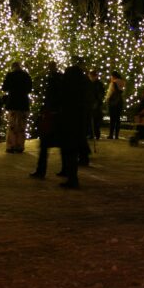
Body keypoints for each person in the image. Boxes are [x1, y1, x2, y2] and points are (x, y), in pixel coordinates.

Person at [59, 57, 90, 189]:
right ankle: (72, 176)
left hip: (69, 121)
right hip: (79, 121)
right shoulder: (83, 85)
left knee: (70, 151)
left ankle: (72, 178)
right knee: (74, 149)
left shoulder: (68, 87)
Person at [29, 62, 63, 179]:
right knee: (61, 146)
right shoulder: (60, 79)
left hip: (51, 116)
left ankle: (41, 171)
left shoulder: (52, 80)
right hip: (56, 116)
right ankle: (66, 169)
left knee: (44, 145)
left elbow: (49, 98)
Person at [2, 61, 33, 154]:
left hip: (12, 103)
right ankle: (20, 146)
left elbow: (4, 88)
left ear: (13, 67)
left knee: (12, 125)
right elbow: (29, 89)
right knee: (21, 126)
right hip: (23, 104)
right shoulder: (26, 76)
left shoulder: (10, 75)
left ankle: (11, 146)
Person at [105, 71, 125, 139]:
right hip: (120, 101)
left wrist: (108, 99)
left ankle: (111, 135)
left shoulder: (113, 83)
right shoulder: (122, 82)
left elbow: (111, 92)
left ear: (113, 76)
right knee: (118, 119)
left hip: (113, 101)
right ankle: (116, 135)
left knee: (112, 119)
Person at [88, 70, 106, 140]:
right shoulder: (90, 84)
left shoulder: (98, 84)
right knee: (91, 120)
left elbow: (100, 94)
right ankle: (91, 134)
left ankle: (96, 134)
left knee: (96, 120)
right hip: (91, 103)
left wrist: (97, 102)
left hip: (96, 103)